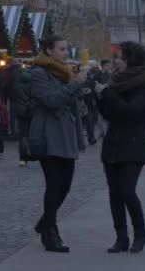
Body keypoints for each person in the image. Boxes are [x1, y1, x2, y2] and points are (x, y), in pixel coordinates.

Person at [30, 35, 87, 253]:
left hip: (66, 134)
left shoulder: (64, 73)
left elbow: (74, 104)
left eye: (67, 49)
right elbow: (51, 101)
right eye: (62, 49)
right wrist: (74, 84)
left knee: (65, 186)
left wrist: (79, 83)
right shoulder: (39, 73)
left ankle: (45, 223)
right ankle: (50, 232)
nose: (66, 53)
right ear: (49, 51)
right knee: (54, 185)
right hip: (49, 134)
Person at [96, 41, 145, 254]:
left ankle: (140, 234)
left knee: (127, 191)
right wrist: (100, 98)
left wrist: (108, 95)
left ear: (131, 60)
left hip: (133, 146)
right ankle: (121, 237)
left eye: (119, 57)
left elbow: (132, 113)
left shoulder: (144, 86)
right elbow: (111, 115)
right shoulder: (114, 84)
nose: (115, 62)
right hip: (112, 145)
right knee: (114, 195)